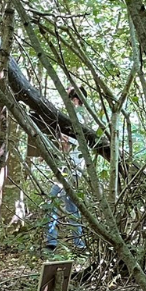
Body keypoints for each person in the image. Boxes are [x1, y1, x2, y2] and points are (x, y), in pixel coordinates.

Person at [44, 87, 87, 253]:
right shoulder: (82, 115)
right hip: (72, 169)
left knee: (52, 202)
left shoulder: (76, 116)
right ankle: (77, 244)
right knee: (69, 207)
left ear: (73, 98)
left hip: (71, 169)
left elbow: (67, 145)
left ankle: (54, 241)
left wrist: (55, 144)